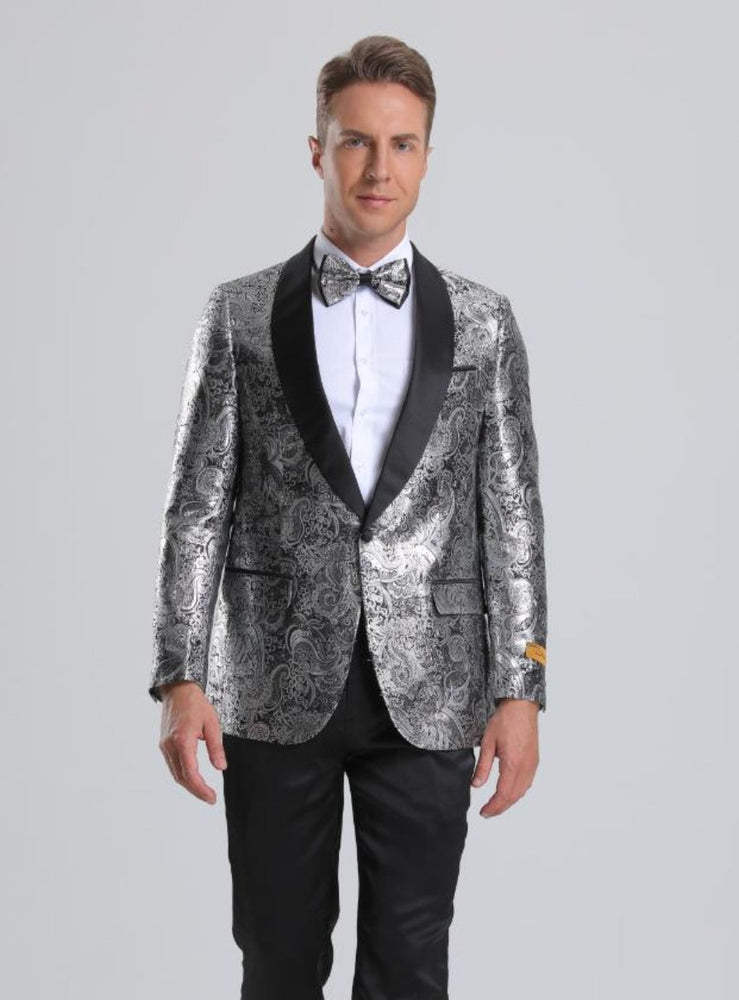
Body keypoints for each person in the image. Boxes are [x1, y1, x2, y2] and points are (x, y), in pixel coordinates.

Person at [149, 33, 548, 1000]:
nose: (379, 168)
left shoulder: (483, 322)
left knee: (411, 964)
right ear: (317, 150)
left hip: (433, 688)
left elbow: (513, 515)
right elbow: (197, 504)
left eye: (402, 144)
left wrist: (522, 687)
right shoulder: (239, 314)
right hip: (271, 681)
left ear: (426, 155)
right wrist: (179, 674)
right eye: (357, 141)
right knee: (279, 957)